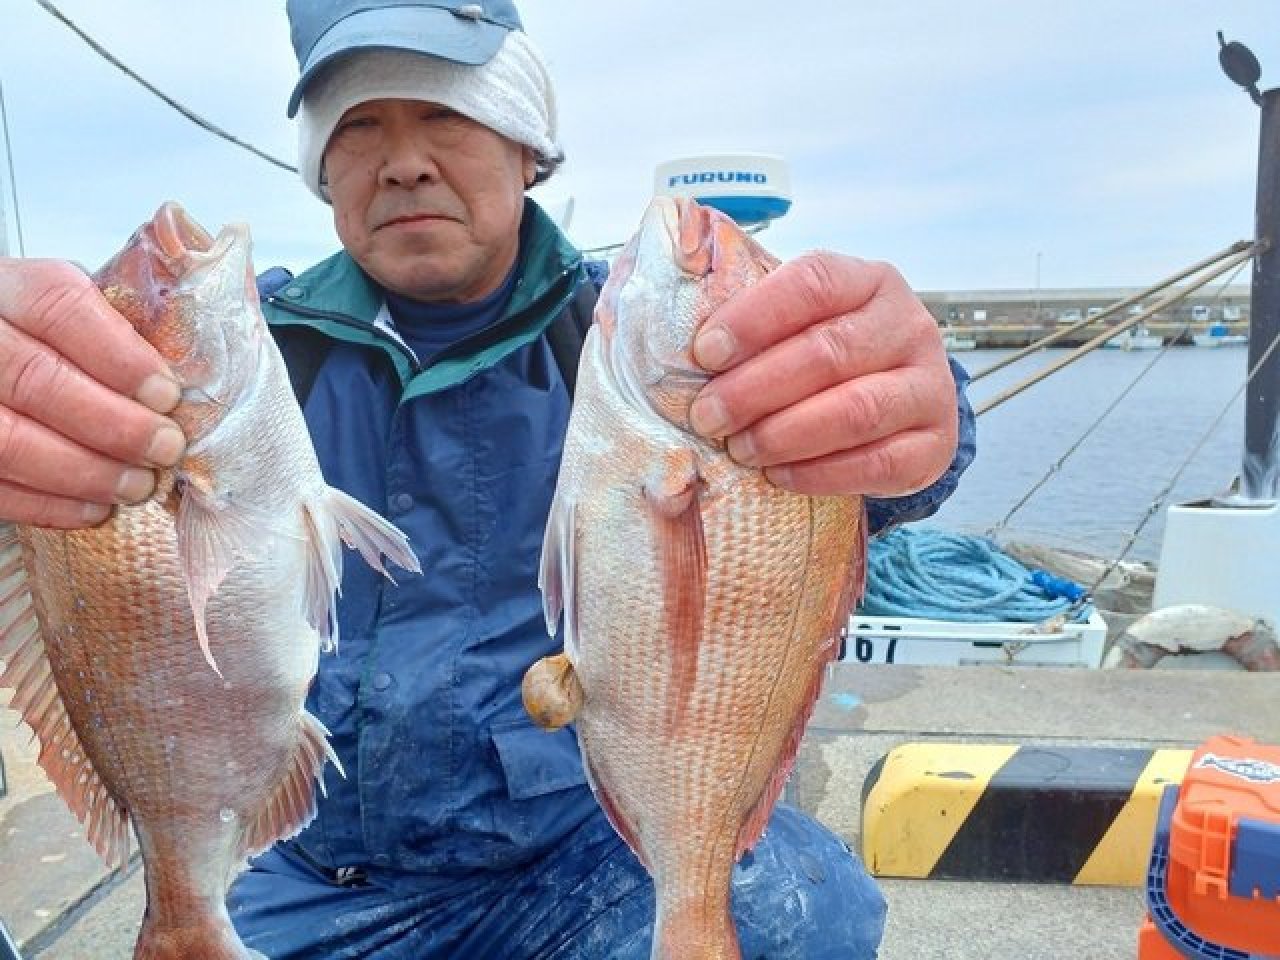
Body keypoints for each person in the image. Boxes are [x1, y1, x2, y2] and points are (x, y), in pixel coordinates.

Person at [0, 1, 976, 956]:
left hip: (577, 851)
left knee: (800, 913)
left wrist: (903, 404)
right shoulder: (248, 349)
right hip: (301, 866)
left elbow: (857, 478)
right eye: (359, 125)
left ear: (526, 147)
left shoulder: (624, 334)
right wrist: (34, 416)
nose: (405, 159)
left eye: (446, 114)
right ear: (322, 170)